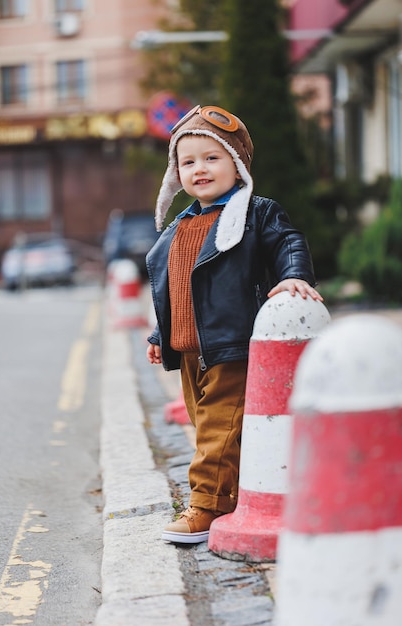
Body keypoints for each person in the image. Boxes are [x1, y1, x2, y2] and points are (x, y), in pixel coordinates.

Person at [145, 105, 323, 544]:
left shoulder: (255, 213)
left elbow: (288, 242)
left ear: (237, 163)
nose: (199, 169)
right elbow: (175, 288)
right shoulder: (179, 226)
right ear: (176, 173)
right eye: (188, 162)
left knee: (217, 430)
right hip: (189, 350)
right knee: (209, 424)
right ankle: (245, 490)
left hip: (232, 345)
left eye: (212, 157)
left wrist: (293, 274)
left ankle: (206, 506)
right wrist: (158, 334)